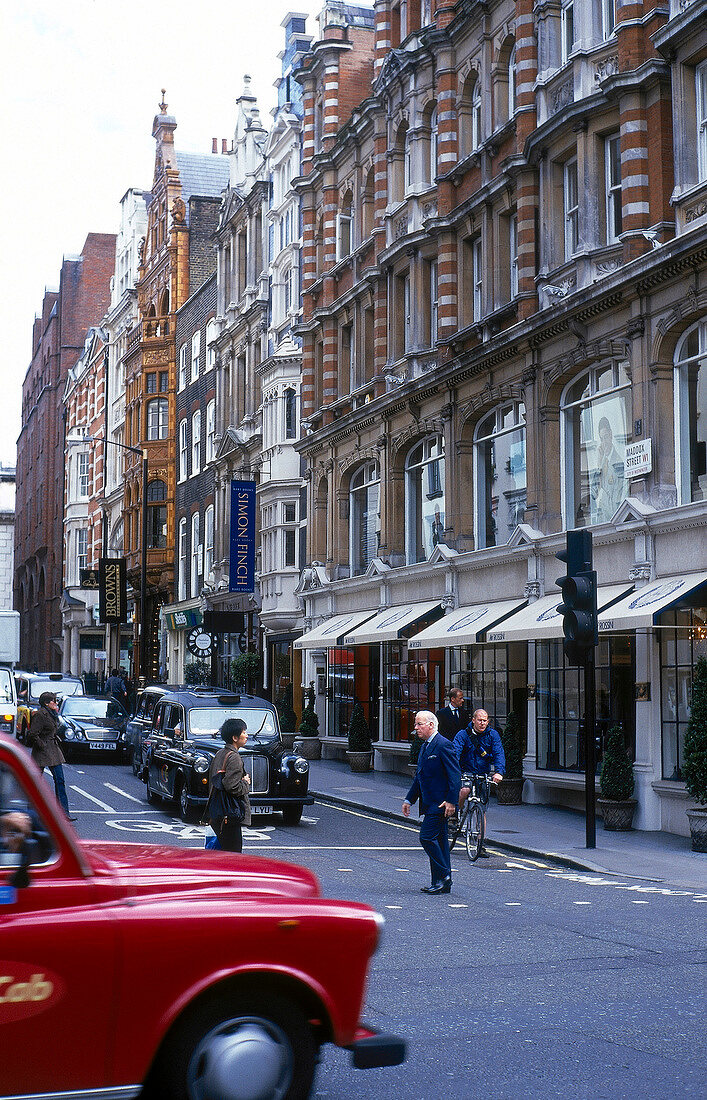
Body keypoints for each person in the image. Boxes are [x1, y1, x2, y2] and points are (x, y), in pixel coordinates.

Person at [402, 711, 461, 895]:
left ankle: (444, 876)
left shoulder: (444, 745)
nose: (416, 728)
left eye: (419, 724)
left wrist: (452, 801)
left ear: (431, 725)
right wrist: (409, 799)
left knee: (426, 837)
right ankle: (440, 882)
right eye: (416, 724)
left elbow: (455, 777)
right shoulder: (425, 747)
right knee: (441, 841)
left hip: (441, 804)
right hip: (429, 803)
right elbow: (419, 778)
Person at [452, 709, 505, 858]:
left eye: (485, 720)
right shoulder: (463, 734)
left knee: (482, 809)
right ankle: (455, 813)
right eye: (480, 720)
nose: (482, 723)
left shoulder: (492, 735)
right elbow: (455, 753)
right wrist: (454, 771)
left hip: (482, 773)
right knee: (465, 790)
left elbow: (499, 753)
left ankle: (480, 844)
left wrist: (499, 772)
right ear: (473, 720)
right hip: (466, 771)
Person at [28, 692, 76, 821]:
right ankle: (30, 810)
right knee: (35, 781)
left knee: (60, 780)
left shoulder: (54, 714)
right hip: (42, 751)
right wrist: (42, 744)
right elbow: (32, 733)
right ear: (46, 703)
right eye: (53, 701)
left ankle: (63, 813)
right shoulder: (40, 715)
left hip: (54, 750)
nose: (56, 703)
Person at [207, 718, 251, 853]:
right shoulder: (234, 757)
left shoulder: (220, 753)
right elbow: (231, 785)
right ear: (235, 737)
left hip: (217, 812)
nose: (247, 735)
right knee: (234, 855)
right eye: (244, 732)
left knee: (220, 855)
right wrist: (245, 783)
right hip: (229, 815)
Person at [589, 416, 625, 524]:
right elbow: (594, 493)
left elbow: (620, 494)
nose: (604, 443)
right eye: (601, 439)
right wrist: (599, 465)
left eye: (606, 437)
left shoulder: (618, 462)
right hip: (603, 519)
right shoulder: (602, 464)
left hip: (615, 518)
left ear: (611, 435)